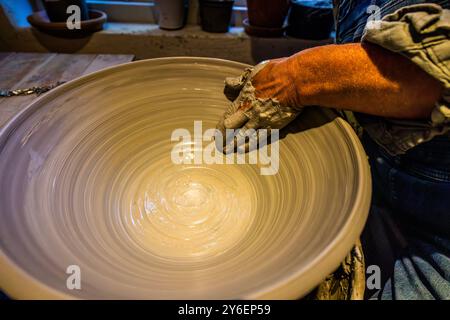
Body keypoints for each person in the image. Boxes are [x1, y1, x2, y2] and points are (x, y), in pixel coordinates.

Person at [217, 0, 450, 300]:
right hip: (377, 182)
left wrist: (296, 78)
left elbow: (435, 71)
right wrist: (264, 27)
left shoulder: (297, 77)